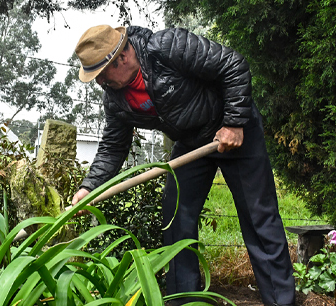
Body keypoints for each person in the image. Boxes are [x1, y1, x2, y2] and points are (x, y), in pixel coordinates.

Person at [71, 24, 295, 306]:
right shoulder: (116, 99)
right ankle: (185, 301)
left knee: (258, 216)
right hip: (192, 144)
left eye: (101, 75)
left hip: (234, 130)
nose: (101, 83)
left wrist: (234, 122)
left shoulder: (165, 47)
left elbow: (233, 64)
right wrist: (88, 187)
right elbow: (113, 147)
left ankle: (281, 300)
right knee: (176, 216)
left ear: (121, 59)